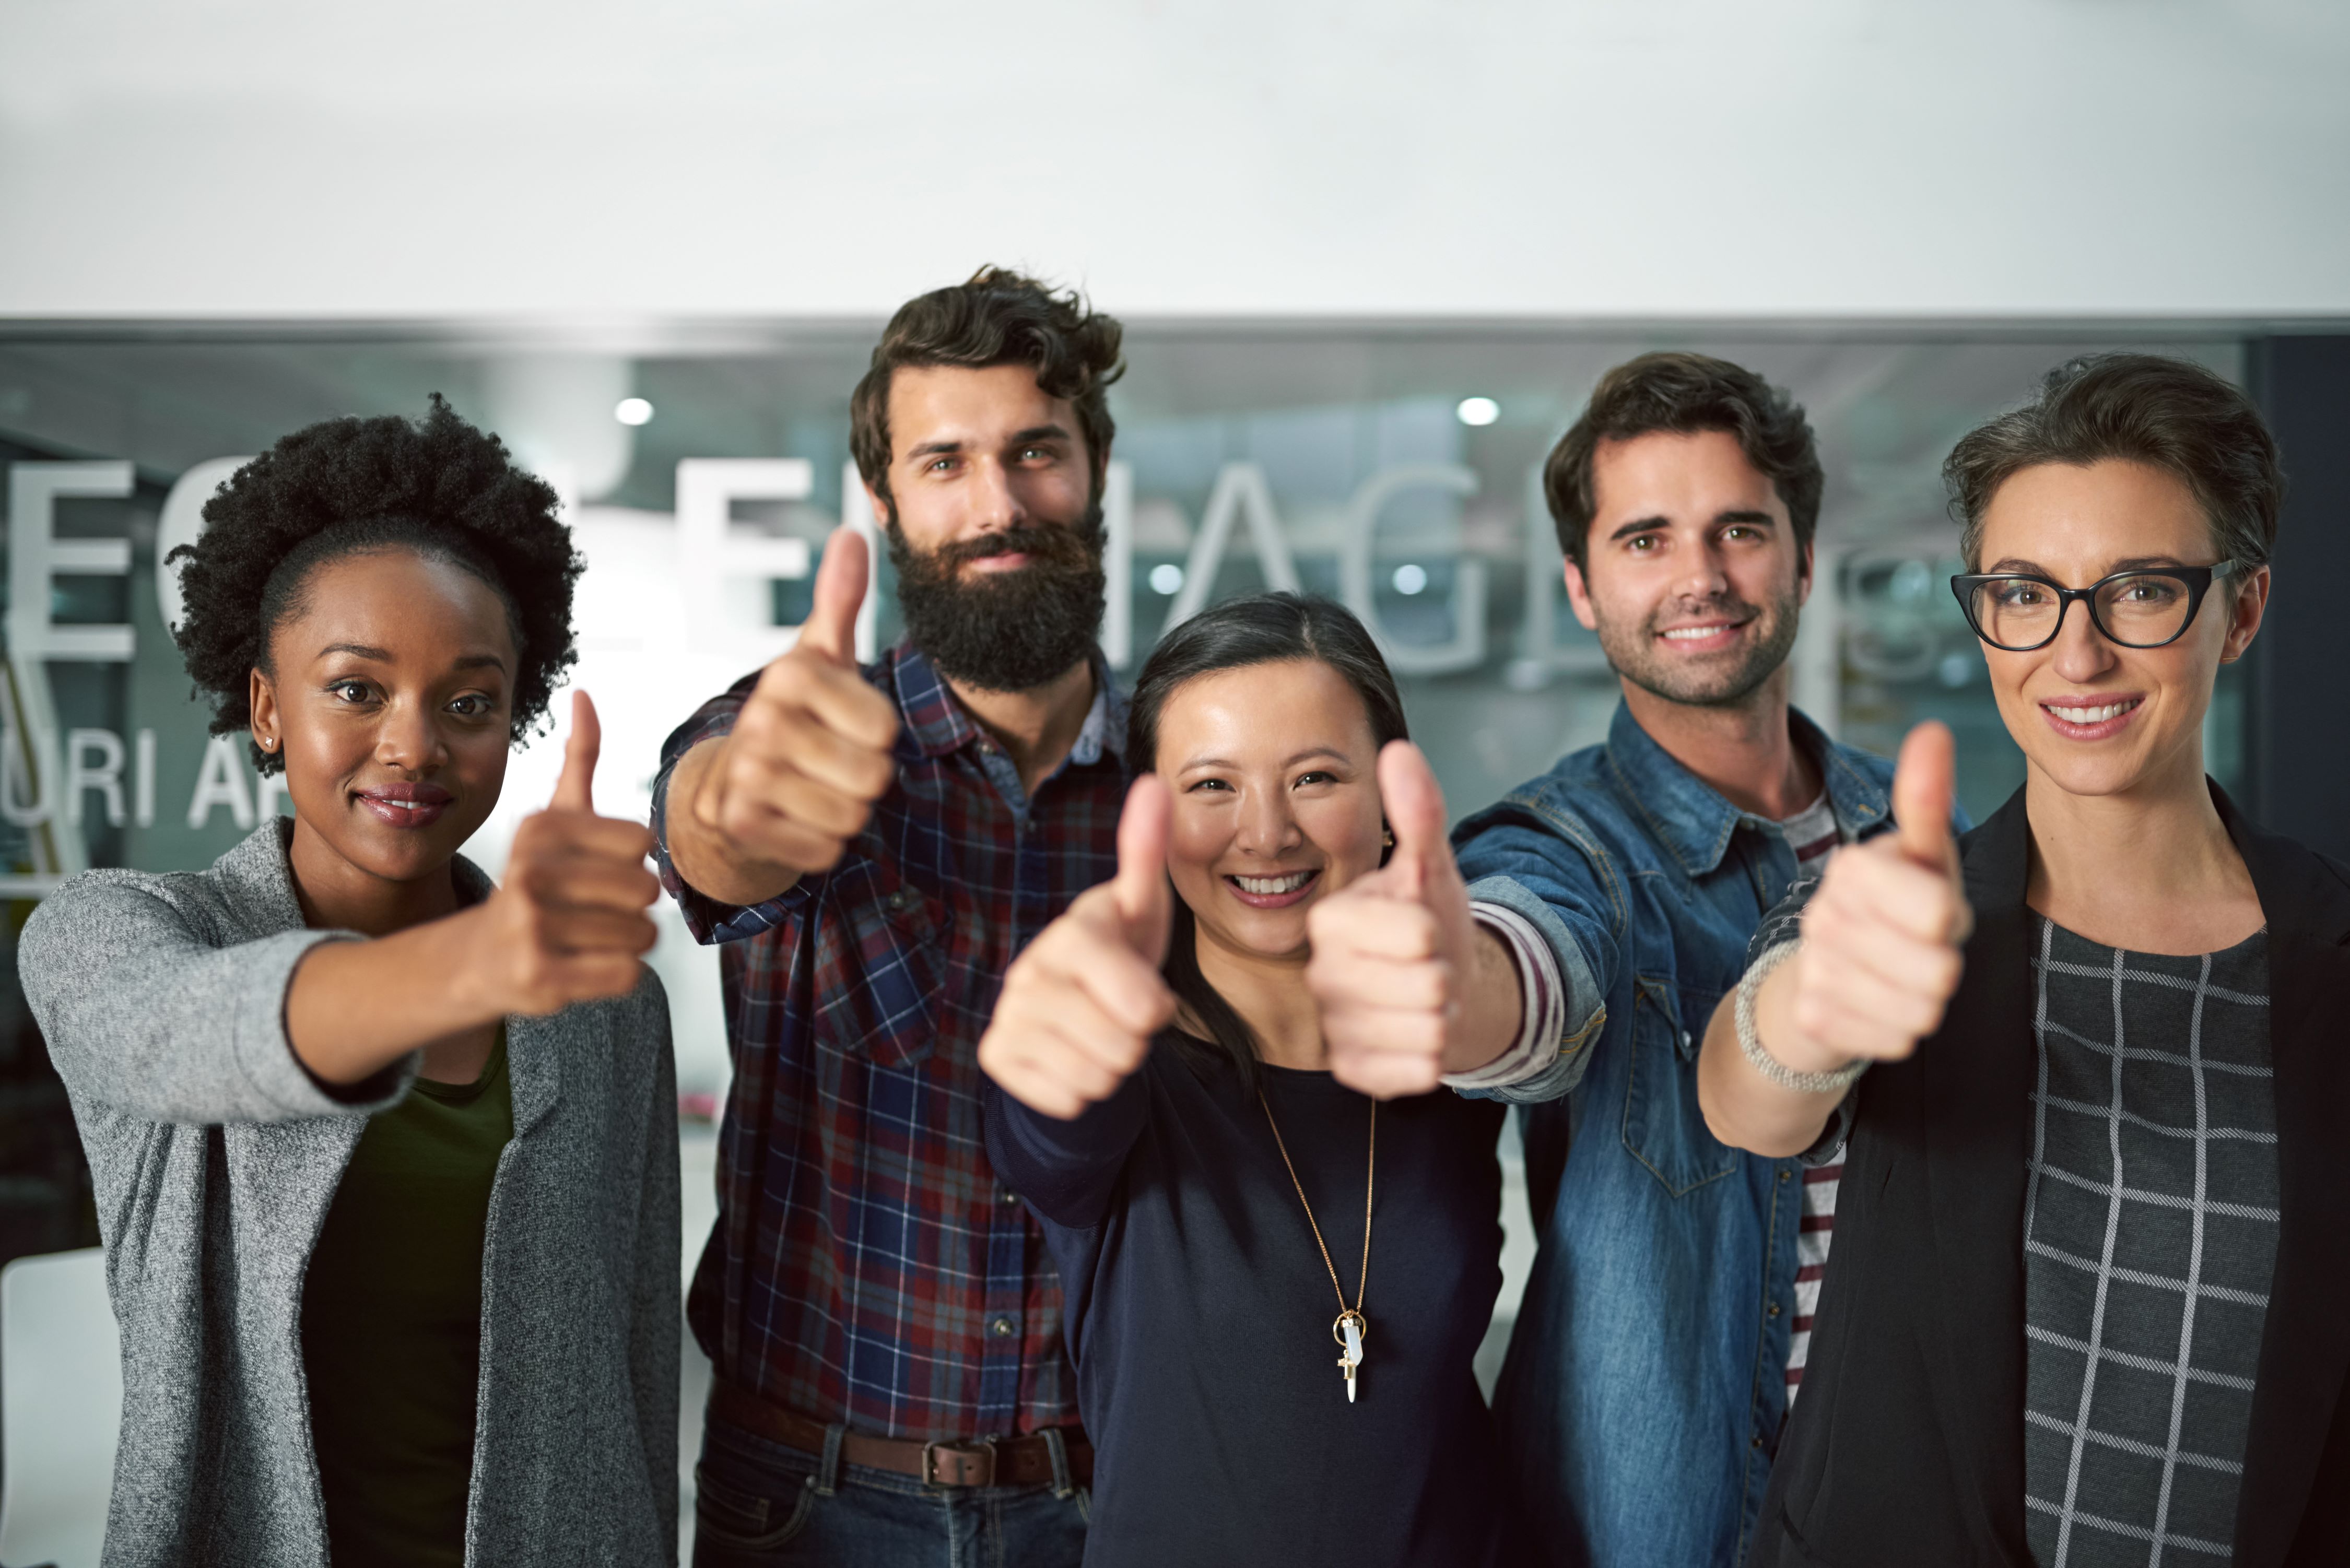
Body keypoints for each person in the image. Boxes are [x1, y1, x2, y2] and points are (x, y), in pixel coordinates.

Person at [1305, 351, 1961, 1568]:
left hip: (1913, 1506)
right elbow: (1531, 975)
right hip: (1665, 1526)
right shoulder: (1561, 847)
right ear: (1581, 585)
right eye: (1646, 539)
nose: (1700, 577)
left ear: (1803, 558)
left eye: (1739, 531)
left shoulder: (1916, 841)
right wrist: (1457, 992)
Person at [1703, 353, 2350, 1567]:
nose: (2077, 651)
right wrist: (1807, 1018)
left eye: (2141, 590)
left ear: (2243, 609)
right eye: (2024, 592)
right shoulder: (1892, 911)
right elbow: (1749, 1099)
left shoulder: (2332, 957)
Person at [21, 397, 679, 1568]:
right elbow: (186, 1034)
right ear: (267, 706)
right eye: (356, 689)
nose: (414, 744)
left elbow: (634, 1360)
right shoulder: (113, 930)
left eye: (469, 701)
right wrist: (477, 963)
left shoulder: (606, 1001)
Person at [653, 268, 1130, 1565]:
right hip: (809, 1495)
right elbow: (710, 818)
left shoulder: (1183, 786)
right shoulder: (802, 728)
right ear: (885, 499)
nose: (998, 503)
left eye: (1037, 451)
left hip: (1112, 1493)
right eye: (945, 462)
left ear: (1095, 470)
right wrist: (741, 808)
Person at [978, 593, 1526, 1567]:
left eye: (1315, 777)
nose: (1267, 834)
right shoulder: (1116, 1058)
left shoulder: (1457, 1048)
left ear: (1392, 805)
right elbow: (1050, 1128)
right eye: (1212, 786)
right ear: (1150, 815)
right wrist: (1046, 1064)